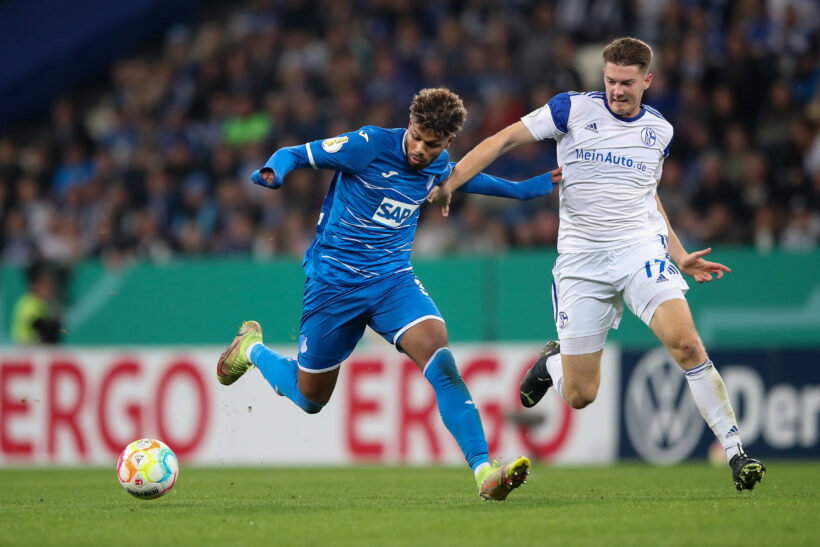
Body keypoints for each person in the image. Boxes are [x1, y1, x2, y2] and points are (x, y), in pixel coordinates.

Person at [428, 38, 765, 492]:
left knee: (687, 344)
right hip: (581, 263)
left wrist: (679, 254)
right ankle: (553, 364)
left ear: (647, 81)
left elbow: (647, 197)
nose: (617, 90)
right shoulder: (570, 110)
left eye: (627, 82)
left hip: (639, 252)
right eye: (610, 80)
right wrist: (453, 181)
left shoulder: (660, 131)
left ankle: (736, 453)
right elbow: (502, 139)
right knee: (580, 394)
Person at [217, 88, 560, 500]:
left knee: (442, 360)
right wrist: (275, 171)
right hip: (334, 284)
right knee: (310, 399)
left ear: (448, 142)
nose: (420, 150)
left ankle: (484, 472)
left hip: (392, 281)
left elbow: (470, 178)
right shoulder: (367, 145)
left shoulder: (438, 164)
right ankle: (251, 349)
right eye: (416, 137)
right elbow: (295, 153)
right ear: (409, 124)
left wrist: (529, 188)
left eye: (432, 145)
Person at [11, 261, 64, 345]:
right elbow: (45, 330)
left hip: (35, 348)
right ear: (36, 285)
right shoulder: (29, 304)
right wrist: (56, 326)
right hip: (27, 348)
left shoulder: (42, 304)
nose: (51, 289)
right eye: (46, 286)